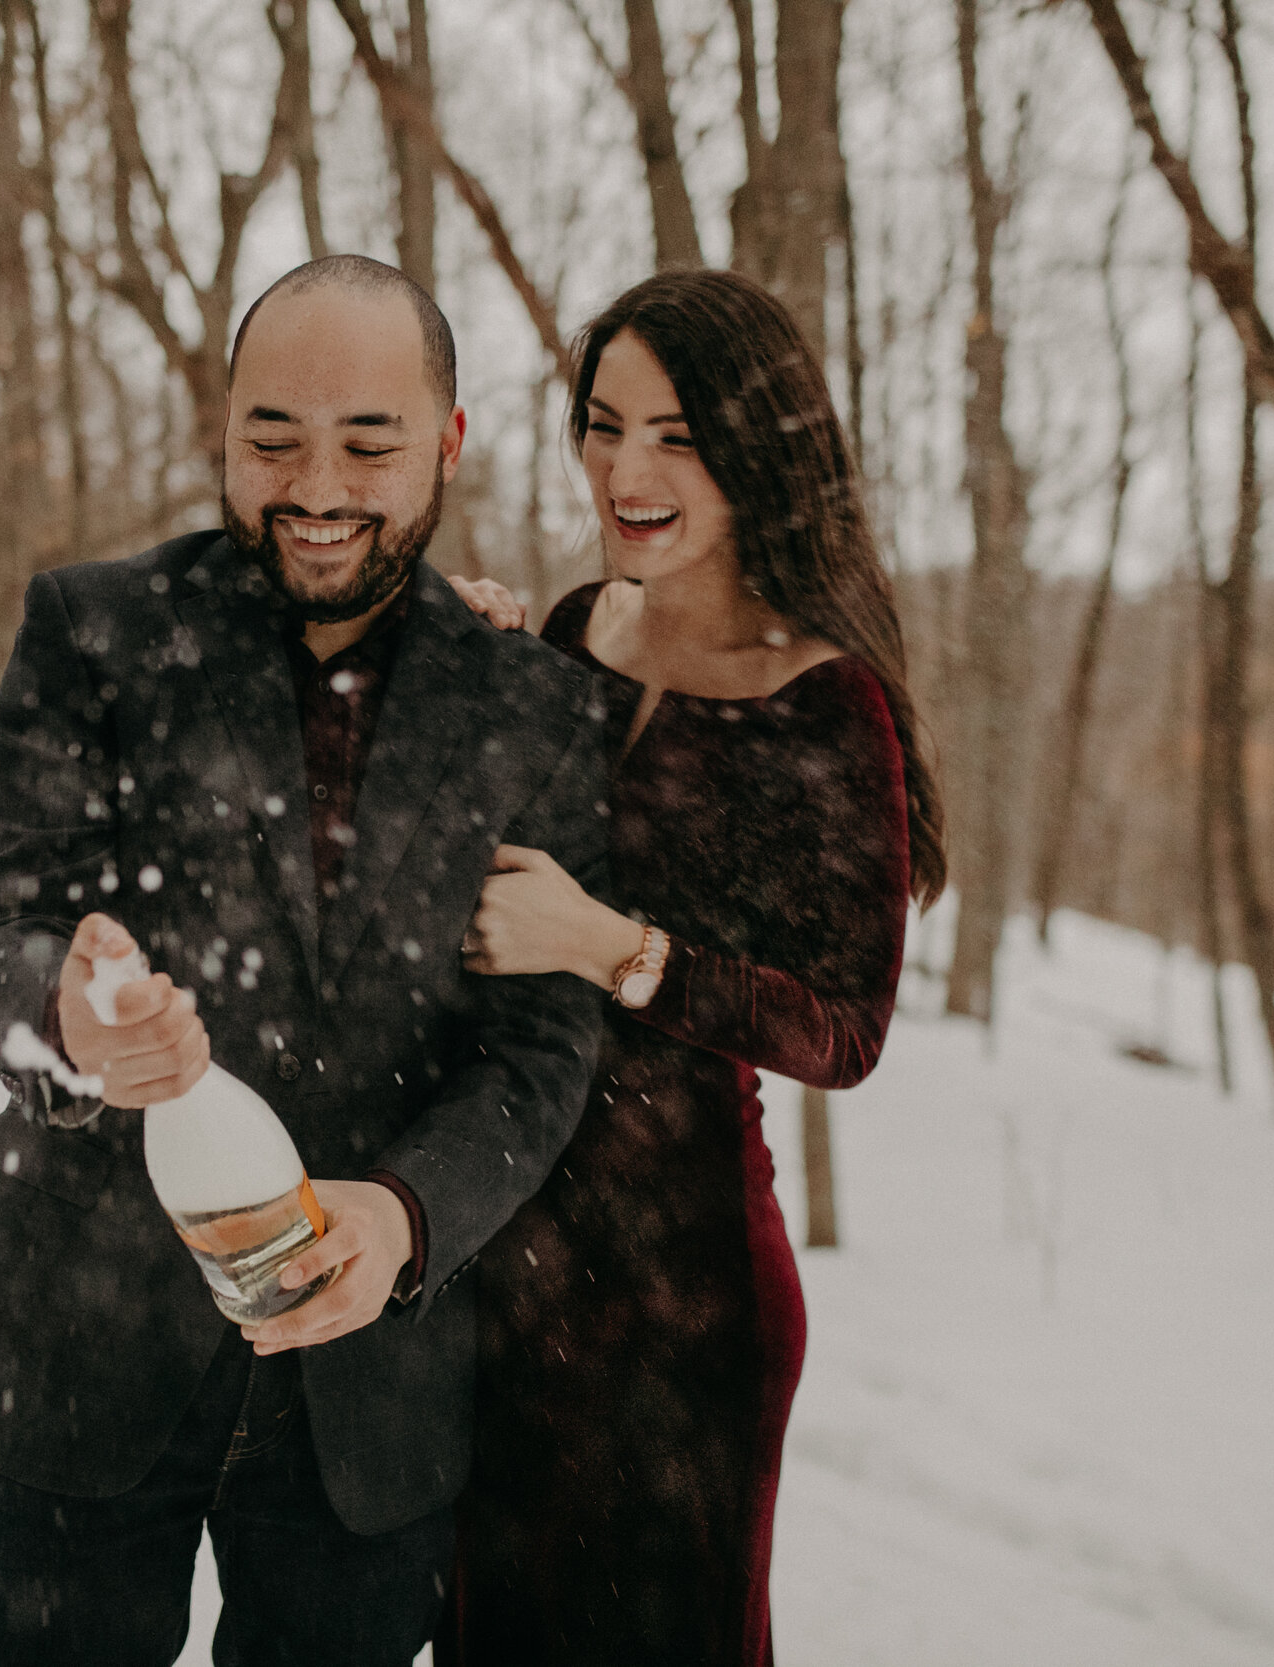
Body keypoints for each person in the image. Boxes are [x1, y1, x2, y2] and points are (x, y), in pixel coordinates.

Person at [0, 253, 614, 1666]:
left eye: (370, 442)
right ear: (221, 429)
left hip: (373, 1402)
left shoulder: (532, 707)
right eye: (273, 438)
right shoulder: (95, 636)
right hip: (73, 1349)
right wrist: (67, 1011)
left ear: (449, 442)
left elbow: (541, 1054)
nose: (317, 487)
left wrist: (408, 1218)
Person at [439, 268, 949, 1666]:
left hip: (684, 1303)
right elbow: (480, 896)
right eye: (604, 425)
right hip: (506, 1266)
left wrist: (615, 951)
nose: (626, 468)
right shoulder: (568, 631)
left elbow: (848, 1029)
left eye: (677, 435)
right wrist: (457, 679)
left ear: (758, 452)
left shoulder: (824, 698)